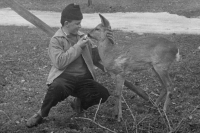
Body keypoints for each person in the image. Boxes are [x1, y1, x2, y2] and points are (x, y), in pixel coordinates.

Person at [26, 3, 112, 128]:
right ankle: (41, 114)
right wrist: (77, 47)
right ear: (66, 23)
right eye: (77, 23)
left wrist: (107, 40)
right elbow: (60, 63)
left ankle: (78, 103)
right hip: (64, 79)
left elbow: (96, 56)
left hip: (83, 80)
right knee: (56, 88)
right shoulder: (56, 40)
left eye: (80, 23)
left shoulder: (83, 37)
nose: (80, 26)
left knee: (103, 94)